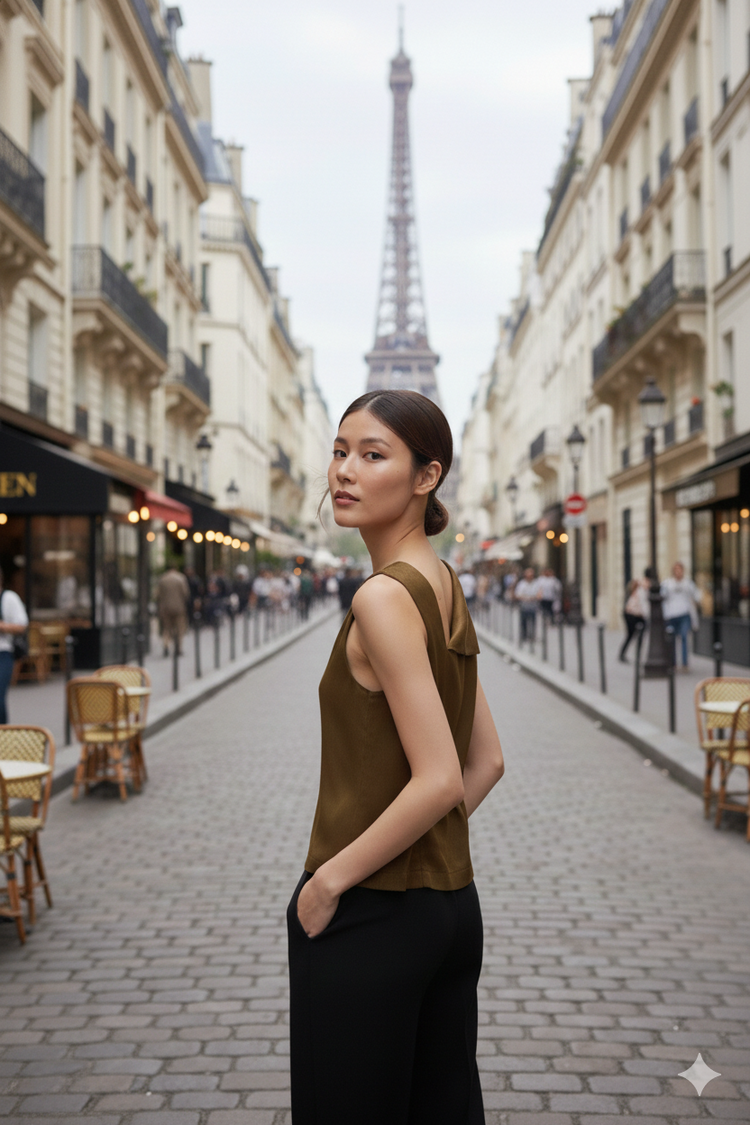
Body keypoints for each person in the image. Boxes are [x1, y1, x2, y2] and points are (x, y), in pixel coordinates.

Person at [288, 389, 505, 1124]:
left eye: (373, 454)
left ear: (426, 477)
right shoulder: (444, 583)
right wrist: (425, 849)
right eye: (341, 450)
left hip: (369, 919)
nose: (344, 470)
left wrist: (333, 880)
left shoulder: (382, 598)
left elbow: (442, 775)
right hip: (451, 914)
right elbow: (487, 763)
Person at [0, 567, 28, 725]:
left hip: (3, 652)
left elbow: (22, 625)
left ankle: (3, 736)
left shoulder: (8, 598)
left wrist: (3, 626)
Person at [661, 561, 700, 669]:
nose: (678, 572)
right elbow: (661, 597)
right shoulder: (667, 583)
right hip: (671, 615)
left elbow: (697, 596)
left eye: (680, 569)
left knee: (684, 637)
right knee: (671, 640)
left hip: (684, 614)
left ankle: (684, 663)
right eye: (676, 570)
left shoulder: (688, 583)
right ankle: (673, 663)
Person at [155, 566, 189, 656]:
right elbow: (185, 593)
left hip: (165, 608)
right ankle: (178, 648)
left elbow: (157, 595)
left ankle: (166, 645)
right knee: (179, 628)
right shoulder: (181, 578)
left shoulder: (162, 579)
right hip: (179, 608)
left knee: (166, 628)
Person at [619, 577, 649, 662]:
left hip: (636, 616)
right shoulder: (637, 594)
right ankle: (625, 654)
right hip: (632, 616)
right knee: (631, 635)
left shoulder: (640, 592)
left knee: (633, 635)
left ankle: (627, 654)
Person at [514, 567, 540, 643]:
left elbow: (539, 594)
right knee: (523, 622)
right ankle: (524, 635)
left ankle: (532, 636)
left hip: (533, 606)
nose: (530, 576)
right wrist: (528, 598)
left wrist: (532, 597)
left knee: (533, 622)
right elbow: (517, 595)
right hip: (524, 606)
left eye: (531, 575)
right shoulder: (521, 584)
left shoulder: (536, 583)